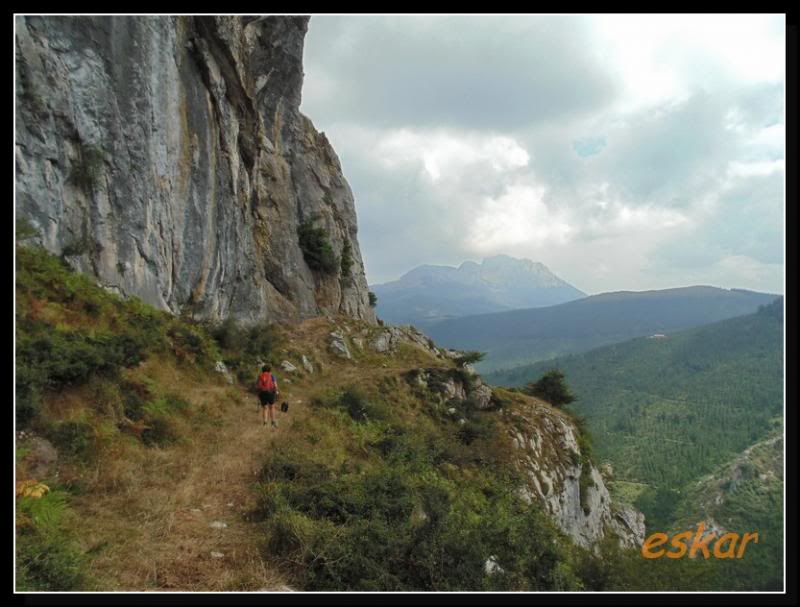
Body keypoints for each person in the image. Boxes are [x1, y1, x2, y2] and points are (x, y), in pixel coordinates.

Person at [256, 365, 280, 429]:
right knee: (272, 407)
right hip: (270, 392)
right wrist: (277, 392)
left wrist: (258, 394)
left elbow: (258, 386)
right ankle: (273, 422)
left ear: (263, 370)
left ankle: (265, 423)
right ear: (269, 370)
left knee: (265, 408)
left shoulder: (260, 376)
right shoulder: (272, 375)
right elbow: (275, 385)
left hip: (262, 393)